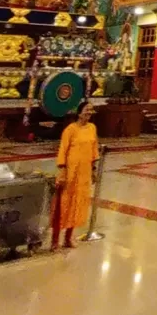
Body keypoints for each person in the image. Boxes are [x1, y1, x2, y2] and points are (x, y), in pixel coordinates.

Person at [54, 100, 100, 250]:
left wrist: (93, 170)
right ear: (79, 112)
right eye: (87, 110)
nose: (89, 113)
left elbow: (94, 150)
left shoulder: (92, 128)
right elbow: (63, 150)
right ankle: (55, 240)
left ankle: (68, 238)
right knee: (63, 205)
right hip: (69, 172)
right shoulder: (70, 130)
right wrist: (62, 171)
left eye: (91, 110)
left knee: (77, 205)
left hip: (84, 173)